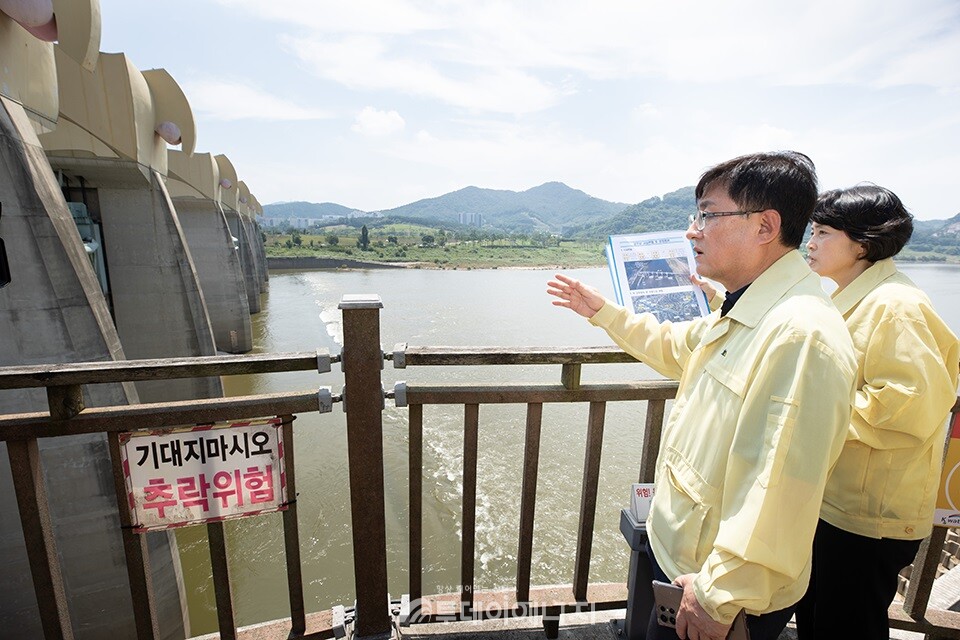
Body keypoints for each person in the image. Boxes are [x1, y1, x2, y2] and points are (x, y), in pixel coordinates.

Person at [548, 151, 857, 640]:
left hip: (715, 594)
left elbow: (778, 488)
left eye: (708, 215)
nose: (692, 231)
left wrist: (718, 596)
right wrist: (602, 312)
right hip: (685, 564)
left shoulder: (799, 335)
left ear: (765, 226)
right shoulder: (743, 310)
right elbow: (674, 346)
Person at [793, 185, 960, 639]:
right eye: (813, 230)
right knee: (818, 616)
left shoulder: (896, 307)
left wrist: (807, 412)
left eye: (823, 232)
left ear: (862, 245)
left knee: (845, 624)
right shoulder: (859, 295)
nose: (811, 242)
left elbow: (909, 405)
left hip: (869, 514)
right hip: (840, 500)